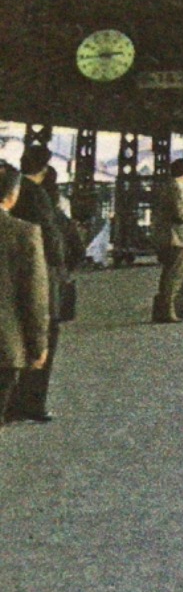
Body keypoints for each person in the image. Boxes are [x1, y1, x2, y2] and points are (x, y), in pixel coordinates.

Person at [7, 146, 64, 422]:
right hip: (35, 273)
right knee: (40, 337)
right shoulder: (38, 195)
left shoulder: (14, 189)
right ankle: (30, 404)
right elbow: (52, 241)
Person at [0, 162, 50, 427]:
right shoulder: (23, 233)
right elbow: (35, 298)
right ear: (12, 195)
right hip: (3, 346)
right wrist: (38, 346)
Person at [151, 159, 183, 323]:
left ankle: (162, 309)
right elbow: (182, 214)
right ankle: (168, 311)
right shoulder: (177, 188)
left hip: (168, 235)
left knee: (168, 272)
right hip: (178, 237)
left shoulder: (166, 187)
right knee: (174, 274)